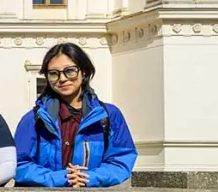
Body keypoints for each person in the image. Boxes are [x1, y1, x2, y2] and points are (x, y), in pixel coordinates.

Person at [14, 43, 136, 188]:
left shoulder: (109, 115)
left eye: (70, 71)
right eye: (54, 73)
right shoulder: (34, 119)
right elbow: (19, 165)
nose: (62, 78)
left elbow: (121, 161)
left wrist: (88, 178)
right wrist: (63, 178)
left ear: (84, 71)